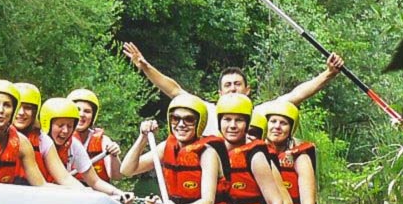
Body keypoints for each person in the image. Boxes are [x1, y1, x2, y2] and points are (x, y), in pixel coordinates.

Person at [121, 43, 345, 135]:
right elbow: (174, 90)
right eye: (227, 86)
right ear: (219, 94)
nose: (233, 89)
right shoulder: (205, 111)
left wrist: (328, 73)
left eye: (238, 85)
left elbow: (295, 96)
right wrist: (145, 66)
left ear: (247, 90)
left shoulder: (260, 113)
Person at [120, 93, 228, 204]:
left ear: (199, 123)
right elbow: (127, 170)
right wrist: (143, 138)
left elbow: (207, 203)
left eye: (188, 119)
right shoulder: (166, 147)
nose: (181, 124)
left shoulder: (207, 154)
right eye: (176, 119)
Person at [216, 94, 286, 204]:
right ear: (219, 122)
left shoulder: (256, 156)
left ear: (247, 124)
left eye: (239, 120)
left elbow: (276, 203)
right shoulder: (212, 152)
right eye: (227, 119)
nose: (232, 125)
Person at [37, 97, 134, 204]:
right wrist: (85, 192)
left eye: (70, 126)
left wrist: (117, 192)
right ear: (47, 124)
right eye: (60, 126)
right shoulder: (36, 143)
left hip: (61, 197)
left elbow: (95, 181)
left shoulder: (73, 144)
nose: (65, 131)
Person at [264, 100, 318, 204]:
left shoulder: (300, 158)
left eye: (283, 123)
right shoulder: (257, 153)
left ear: (290, 129)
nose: (277, 127)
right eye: (273, 121)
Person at [67, 88, 121, 181]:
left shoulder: (104, 141)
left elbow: (117, 176)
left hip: (98, 192)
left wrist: (113, 156)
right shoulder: (60, 138)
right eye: (77, 110)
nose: (81, 114)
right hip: (70, 190)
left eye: (87, 111)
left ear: (93, 116)